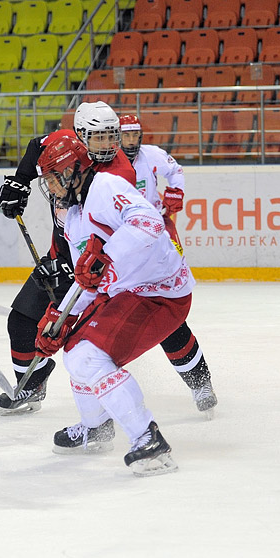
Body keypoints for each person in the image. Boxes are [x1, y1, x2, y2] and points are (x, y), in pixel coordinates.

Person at [34, 133, 192, 475]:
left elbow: (149, 222)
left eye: (50, 177)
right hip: (129, 291)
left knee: (89, 356)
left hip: (160, 292)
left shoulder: (105, 186)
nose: (48, 187)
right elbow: (88, 280)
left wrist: (107, 256)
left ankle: (149, 441)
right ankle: (96, 428)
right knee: (74, 347)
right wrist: (61, 319)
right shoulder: (74, 217)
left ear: (72, 170)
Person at [0, 104, 137, 417]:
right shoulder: (62, 146)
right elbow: (37, 147)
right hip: (63, 254)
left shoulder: (117, 176)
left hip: (97, 267)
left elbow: (116, 241)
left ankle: (102, 417)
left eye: (112, 137)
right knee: (20, 321)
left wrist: (71, 268)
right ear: (80, 136)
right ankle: (31, 385)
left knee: (82, 344)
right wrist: (19, 182)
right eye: (97, 138)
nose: (107, 145)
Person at [119, 113, 217, 413]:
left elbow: (176, 172)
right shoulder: (105, 166)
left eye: (136, 135)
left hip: (156, 236)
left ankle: (201, 384)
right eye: (126, 136)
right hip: (123, 244)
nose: (132, 141)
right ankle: (105, 394)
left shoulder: (153, 155)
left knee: (168, 312)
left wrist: (175, 192)